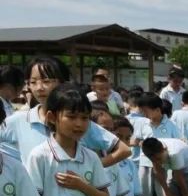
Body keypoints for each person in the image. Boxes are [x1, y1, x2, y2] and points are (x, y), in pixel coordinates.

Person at [2, 56, 130, 167]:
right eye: (33, 82)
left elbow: (123, 150)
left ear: (63, 83)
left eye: (46, 81)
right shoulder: (17, 120)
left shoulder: (78, 122)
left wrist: (90, 169)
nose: (39, 88)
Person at [134, 93, 181, 196]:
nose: (145, 114)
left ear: (157, 109)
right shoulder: (143, 124)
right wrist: (139, 143)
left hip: (164, 166)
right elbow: (136, 140)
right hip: (145, 164)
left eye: (146, 111)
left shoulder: (171, 125)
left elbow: (177, 143)